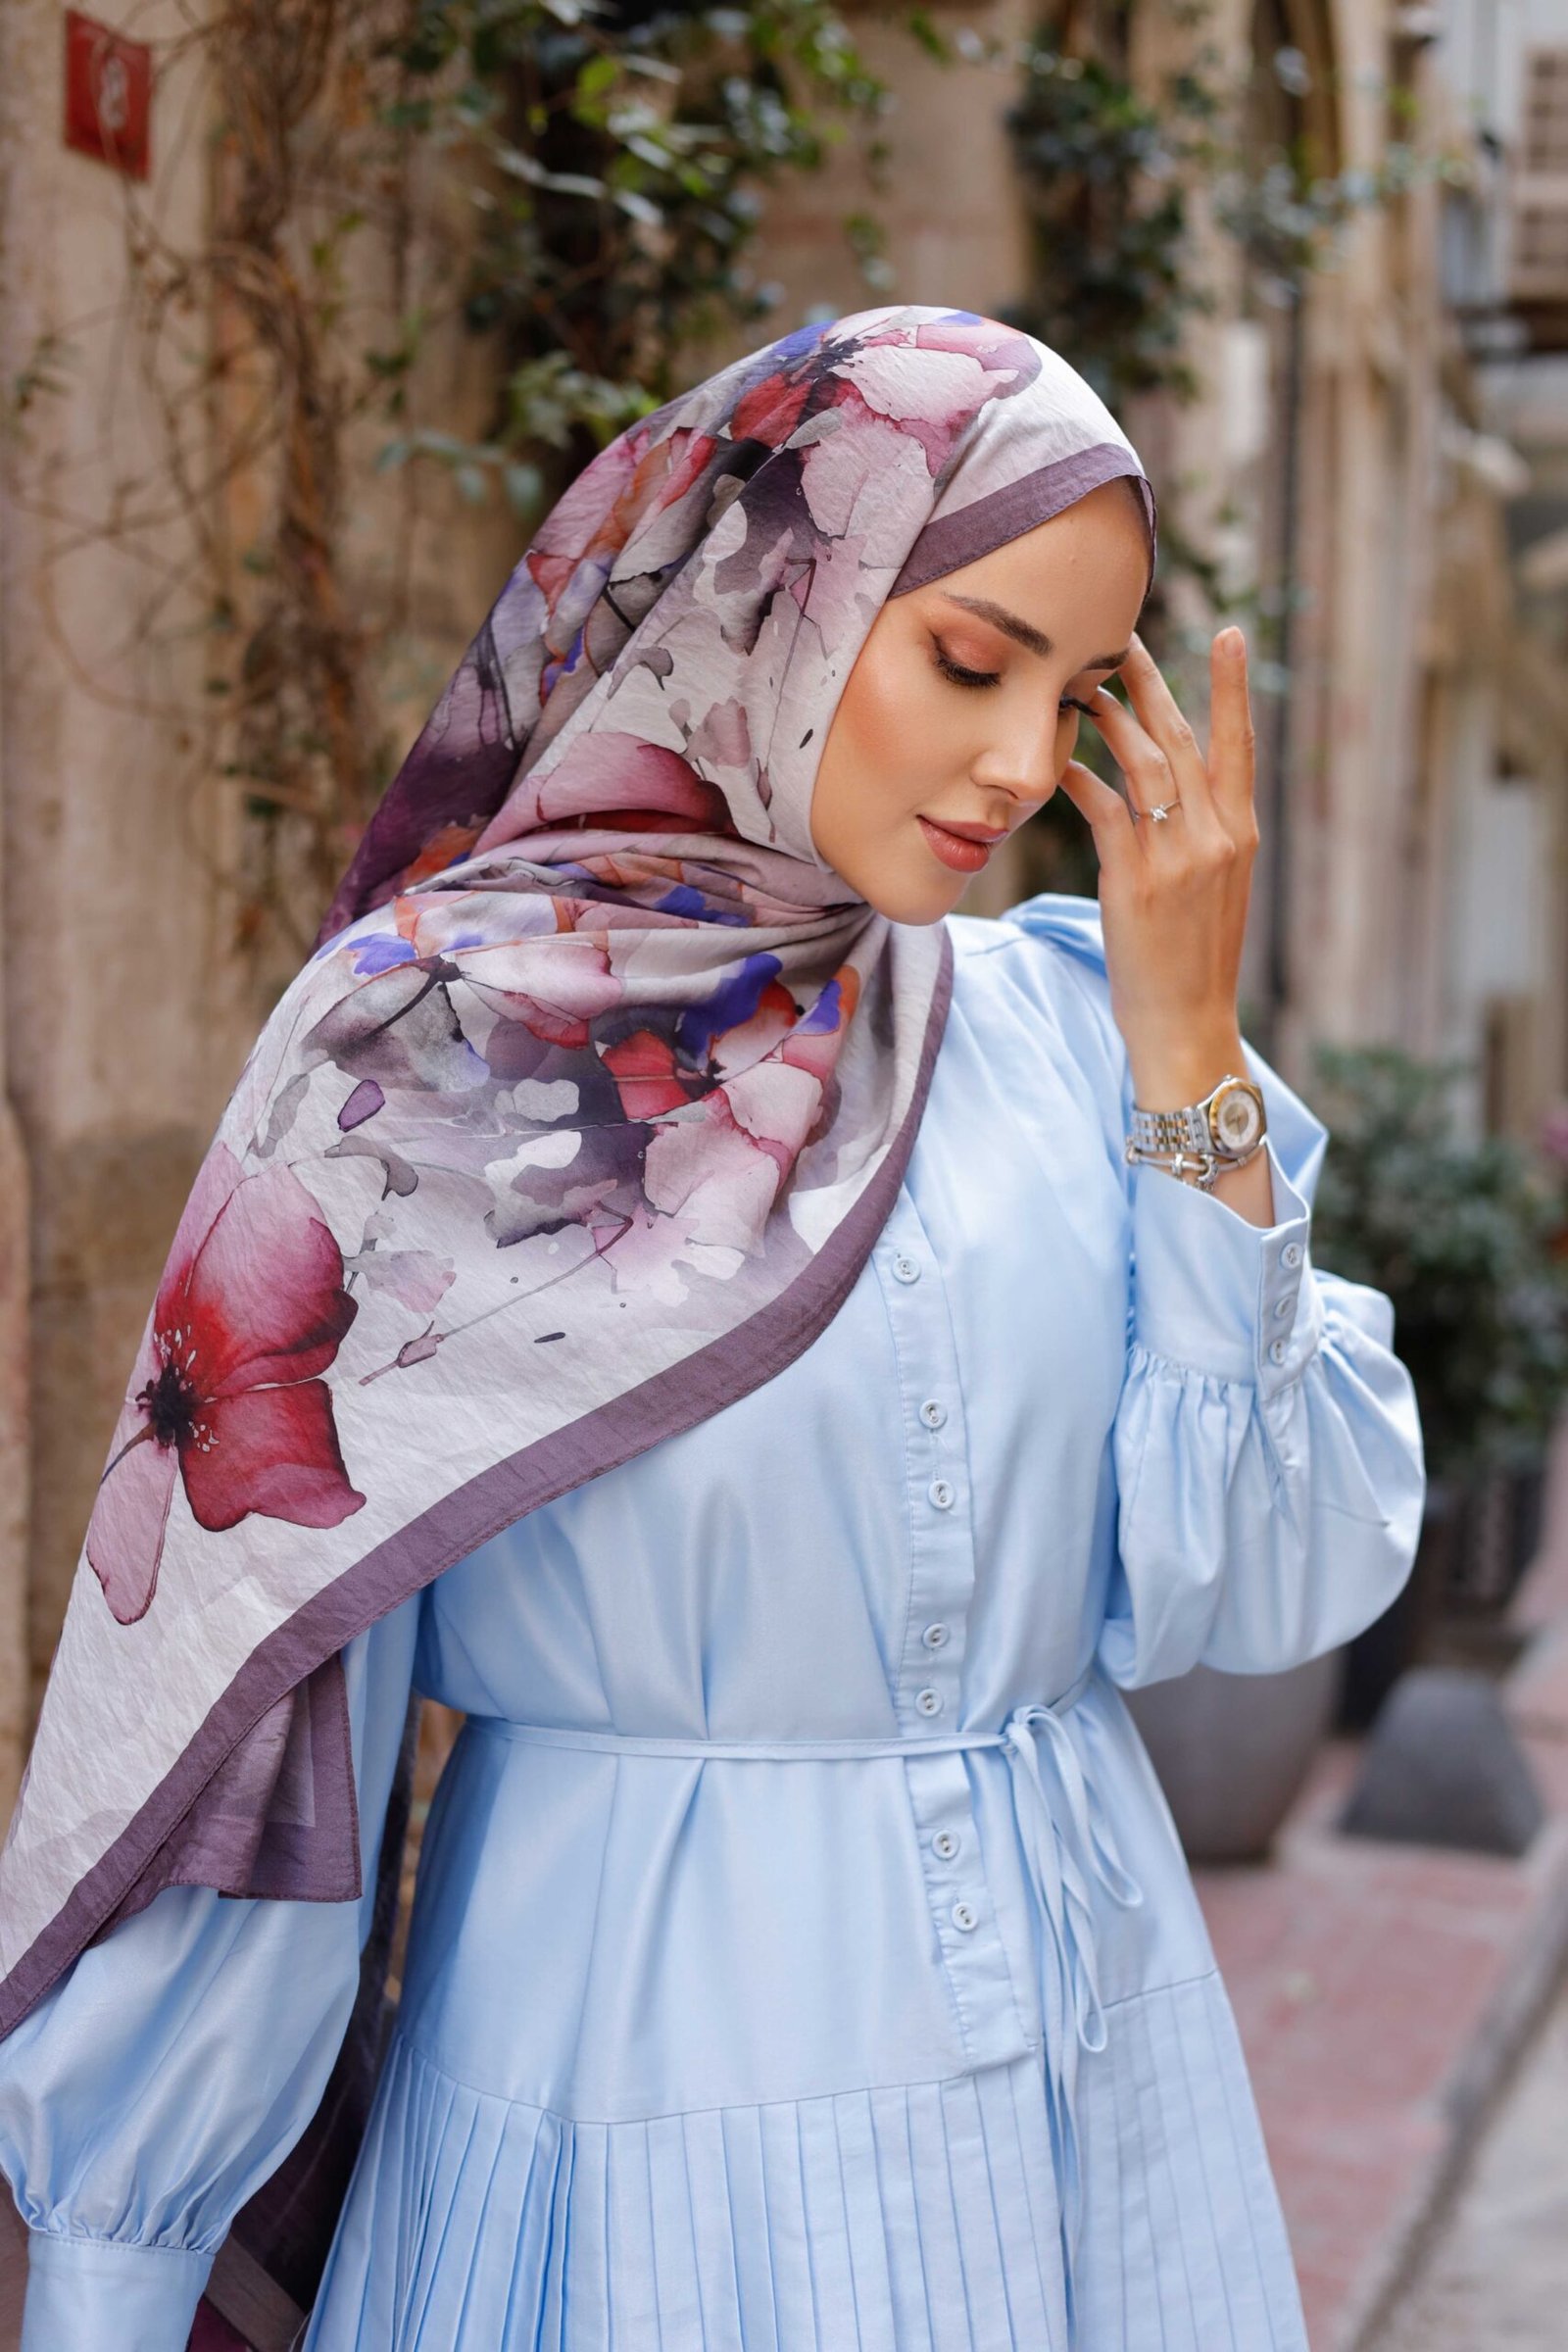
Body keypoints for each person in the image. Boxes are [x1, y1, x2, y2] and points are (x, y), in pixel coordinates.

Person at [0, 306, 1423, 2351]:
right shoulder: (433, 1058)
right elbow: (260, 1702)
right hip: (632, 2089)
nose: (1024, 767)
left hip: (1092, 2087)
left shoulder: (1064, 1040)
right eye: (970, 660)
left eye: (1079, 694)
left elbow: (1253, 1586)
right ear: (780, 593)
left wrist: (1188, 1049)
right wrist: (120, 2264)